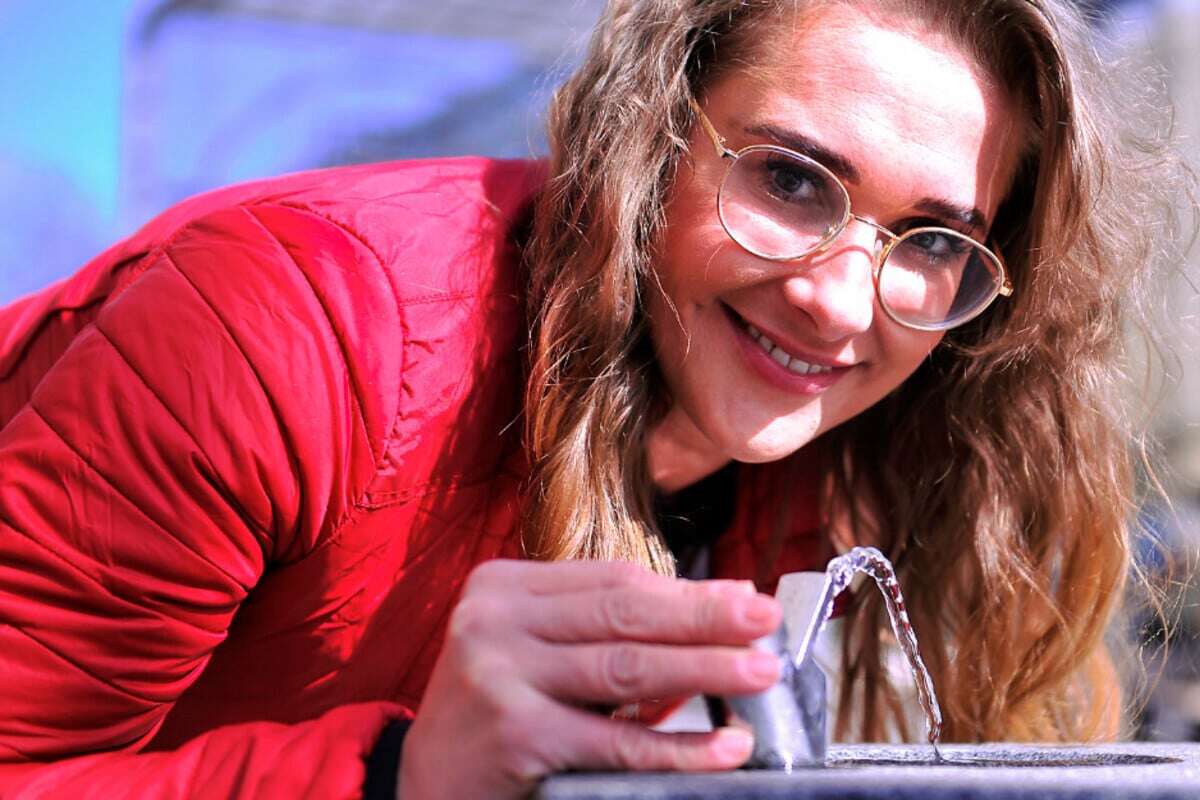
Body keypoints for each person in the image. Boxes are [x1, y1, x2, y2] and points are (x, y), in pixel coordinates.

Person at [0, 0, 1184, 798]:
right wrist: (395, 770)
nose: (840, 303)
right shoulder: (284, 326)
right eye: (790, 176)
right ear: (650, 140)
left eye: (932, 237)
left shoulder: (863, 453)